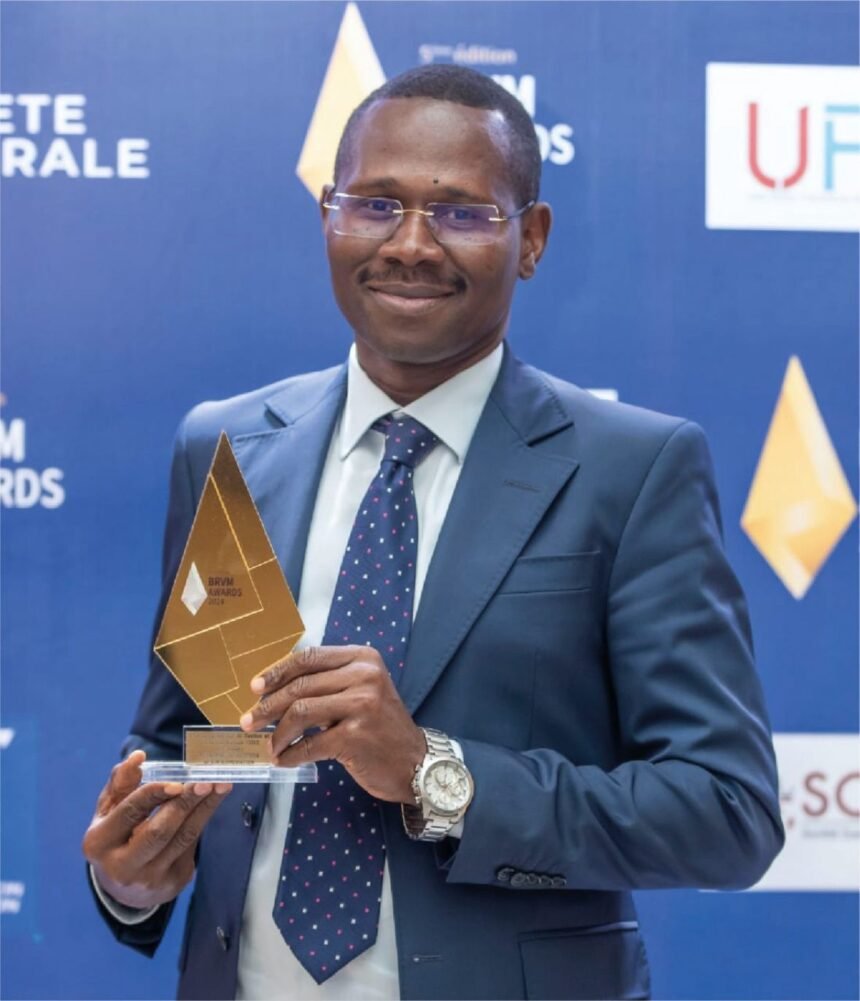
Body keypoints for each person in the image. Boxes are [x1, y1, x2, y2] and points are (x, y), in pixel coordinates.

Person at [83, 65, 783, 1001]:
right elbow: (189, 740)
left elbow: (727, 812)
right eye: (375, 204)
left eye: (460, 212)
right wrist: (134, 877)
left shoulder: (633, 469)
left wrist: (431, 771)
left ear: (532, 238)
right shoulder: (227, 447)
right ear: (328, 217)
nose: (410, 245)